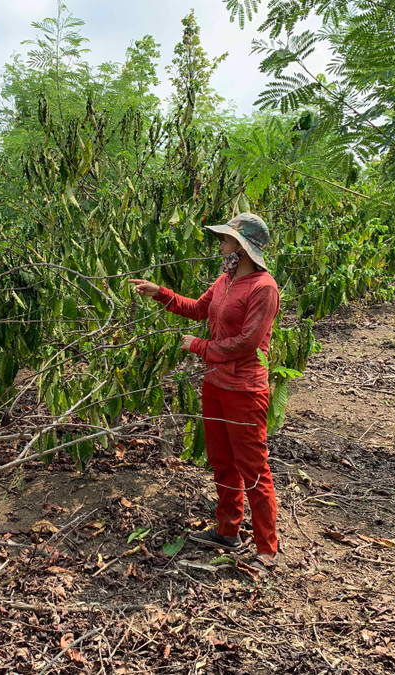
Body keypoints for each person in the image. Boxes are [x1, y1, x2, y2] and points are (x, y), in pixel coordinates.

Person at [129, 213, 281, 574]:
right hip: (214, 383)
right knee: (222, 461)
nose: (222, 247)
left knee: (253, 468)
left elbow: (248, 343)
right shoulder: (225, 281)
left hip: (244, 388)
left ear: (243, 248)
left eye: (226, 241)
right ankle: (227, 531)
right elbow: (198, 309)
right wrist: (161, 294)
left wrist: (198, 346)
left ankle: (267, 549)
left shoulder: (264, 288)